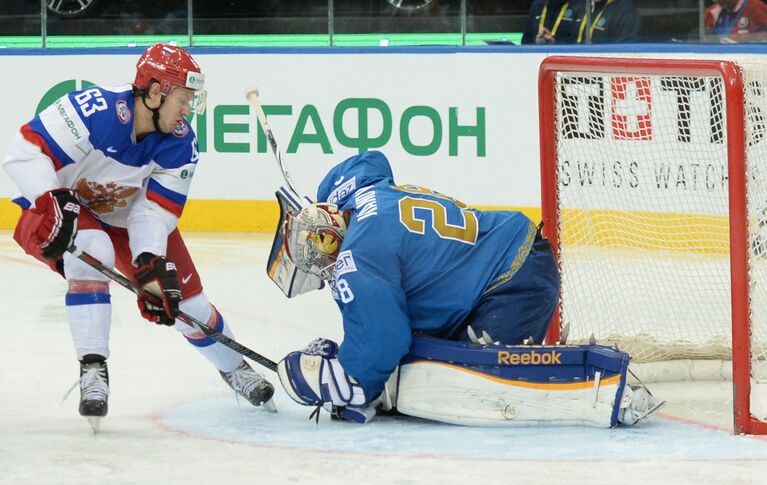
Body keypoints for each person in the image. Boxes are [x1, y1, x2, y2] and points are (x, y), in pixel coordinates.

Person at [271, 151, 663, 426]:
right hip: (515, 257)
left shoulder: (356, 259)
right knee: (420, 353)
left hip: (511, 281)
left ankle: (612, 388)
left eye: (321, 247)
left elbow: (384, 341)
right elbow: (371, 160)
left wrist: (346, 381)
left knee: (464, 379)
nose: (326, 257)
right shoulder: (367, 191)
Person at [1, 43, 274, 432]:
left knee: (185, 301)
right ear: (155, 91)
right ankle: (93, 368)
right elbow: (25, 150)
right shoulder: (94, 109)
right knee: (92, 250)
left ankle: (234, 368)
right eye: (183, 99)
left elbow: (153, 211)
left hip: (128, 218)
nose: (187, 110)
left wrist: (149, 260)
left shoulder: (181, 142)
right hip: (64, 209)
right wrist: (52, 198)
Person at [522, 0, 640, 45]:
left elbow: (627, 50)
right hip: (579, 73)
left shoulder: (625, 9)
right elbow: (573, 42)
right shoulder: (581, 6)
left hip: (605, 75)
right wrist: (553, 43)